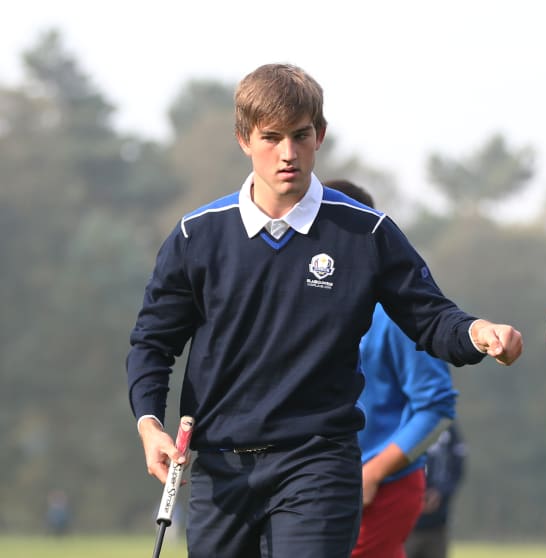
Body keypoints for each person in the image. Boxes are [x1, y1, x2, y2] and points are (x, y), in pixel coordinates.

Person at [126, 63, 522, 558]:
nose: (288, 153)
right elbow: (152, 344)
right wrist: (149, 424)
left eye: (300, 135)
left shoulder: (366, 232)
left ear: (320, 135)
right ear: (244, 139)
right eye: (271, 137)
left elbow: (431, 317)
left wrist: (478, 332)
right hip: (220, 471)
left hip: (318, 464)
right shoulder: (196, 235)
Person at [323, 179, 457, 558]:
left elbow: (437, 407)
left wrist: (374, 472)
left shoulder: (394, 314)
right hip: (310, 483)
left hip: (380, 491)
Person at [405, 423, 466, 558]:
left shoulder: (447, 426)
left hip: (437, 524)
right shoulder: (402, 421)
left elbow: (457, 469)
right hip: (404, 525)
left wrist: (441, 492)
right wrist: (414, 495)